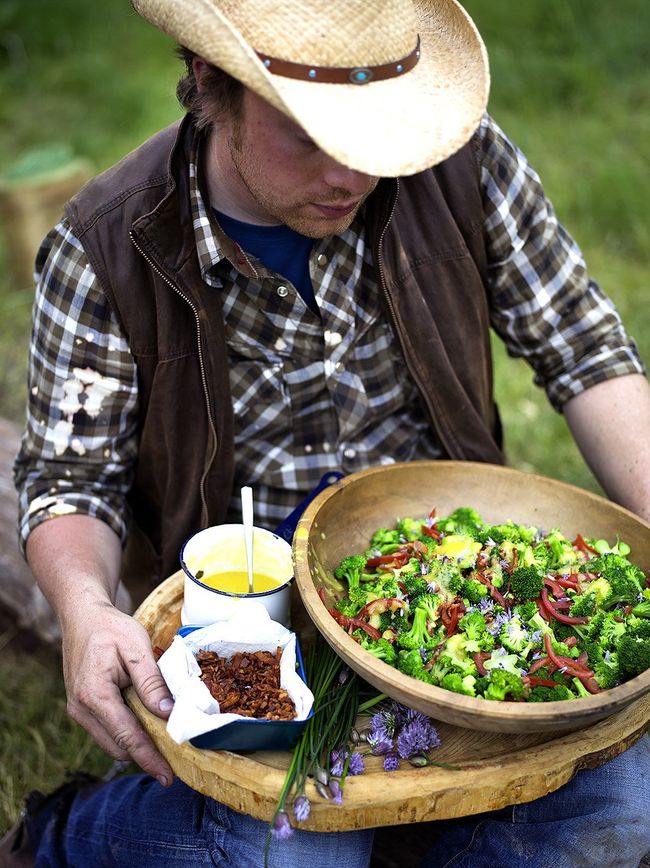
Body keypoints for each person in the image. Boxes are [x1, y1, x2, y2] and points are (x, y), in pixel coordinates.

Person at [7, 0, 650, 865]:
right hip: (248, 602)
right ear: (210, 85)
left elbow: (587, 353)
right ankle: (71, 837)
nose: (350, 171)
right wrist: (84, 610)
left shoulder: (460, 164)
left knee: (623, 809)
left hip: (438, 573)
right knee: (289, 853)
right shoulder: (105, 245)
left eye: (372, 136)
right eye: (308, 135)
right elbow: (69, 481)